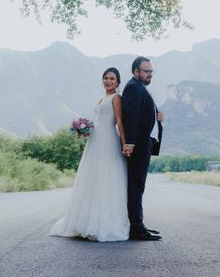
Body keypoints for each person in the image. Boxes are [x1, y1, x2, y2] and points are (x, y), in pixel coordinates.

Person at [49, 67, 130, 241]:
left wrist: (124, 145)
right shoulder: (103, 98)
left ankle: (104, 222)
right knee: (92, 178)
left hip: (108, 140)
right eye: (106, 78)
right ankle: (86, 220)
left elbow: (119, 122)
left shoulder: (116, 98)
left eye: (112, 79)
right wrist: (85, 131)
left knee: (105, 177)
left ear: (118, 82)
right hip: (95, 140)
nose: (108, 81)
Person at [122, 56, 164, 241]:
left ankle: (138, 225)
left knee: (138, 187)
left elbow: (143, 114)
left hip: (143, 144)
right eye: (147, 71)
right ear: (136, 71)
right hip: (137, 146)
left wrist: (157, 116)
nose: (150, 74)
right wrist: (130, 143)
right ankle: (137, 229)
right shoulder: (133, 87)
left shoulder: (141, 88)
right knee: (136, 187)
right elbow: (130, 117)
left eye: (151, 71)